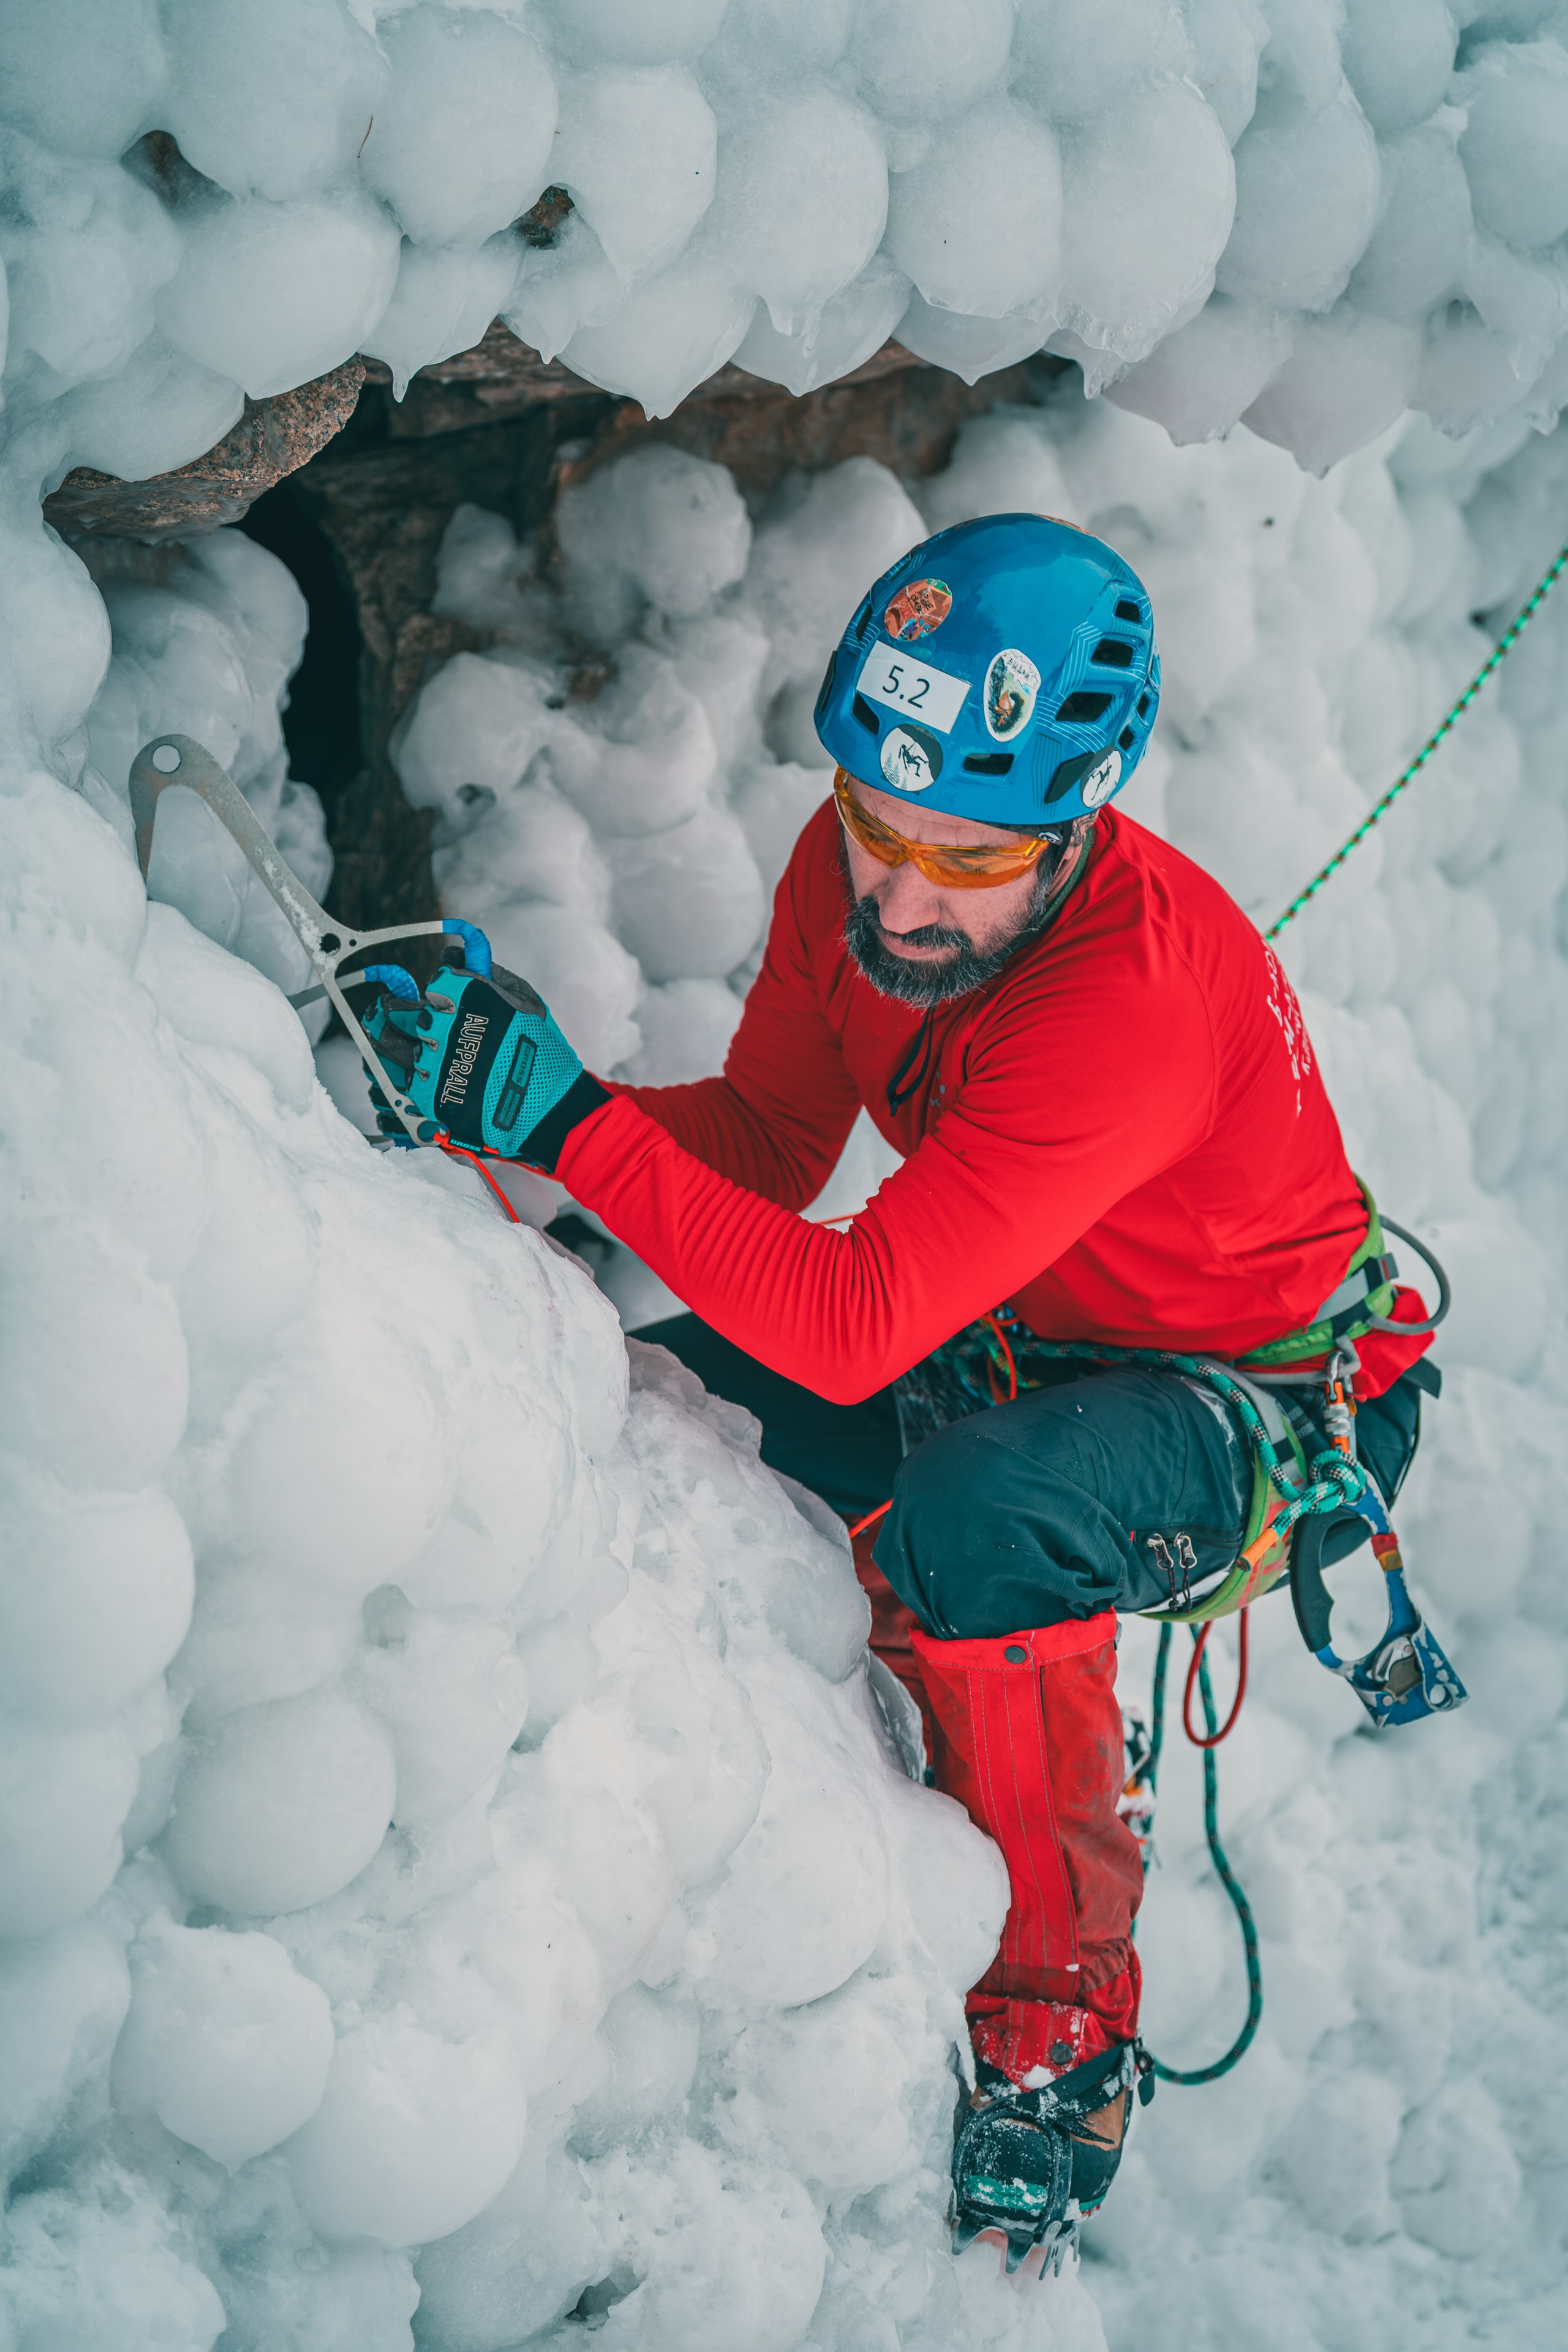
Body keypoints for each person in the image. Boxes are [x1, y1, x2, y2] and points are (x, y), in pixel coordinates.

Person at [366, 514, 1437, 2266]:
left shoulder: (1132, 1003)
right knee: (680, 1400)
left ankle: (1055, 2024)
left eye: (963, 854)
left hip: (1264, 1396)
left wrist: (566, 1123)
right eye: (874, 822)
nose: (895, 893)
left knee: (981, 1516)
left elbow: (858, 1317)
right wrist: (522, 1112)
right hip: (1036, 1328)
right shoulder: (847, 874)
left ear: (1076, 820)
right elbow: (782, 1149)